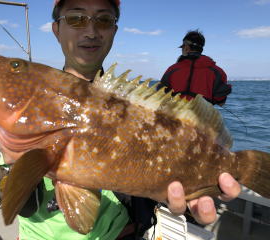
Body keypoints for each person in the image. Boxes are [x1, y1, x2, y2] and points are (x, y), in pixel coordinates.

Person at [16, 1, 241, 239]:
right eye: (76, 18)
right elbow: (25, 207)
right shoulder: (33, 101)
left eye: (103, 20)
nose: (91, 32)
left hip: (124, 230)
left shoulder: (143, 99)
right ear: (56, 29)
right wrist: (25, 166)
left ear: (114, 30)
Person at [158, 30, 232, 106]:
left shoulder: (172, 69)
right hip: (201, 116)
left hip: (173, 116)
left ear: (186, 47)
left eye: (182, 47)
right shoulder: (217, 72)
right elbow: (221, 102)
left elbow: (160, 95)